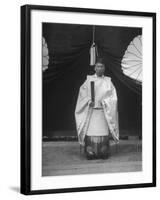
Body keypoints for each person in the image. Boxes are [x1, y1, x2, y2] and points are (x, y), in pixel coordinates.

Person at [75, 58, 119, 159]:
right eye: (98, 66)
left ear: (104, 68)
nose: (100, 68)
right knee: (91, 132)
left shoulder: (108, 81)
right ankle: (91, 152)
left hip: (103, 112)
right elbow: (82, 94)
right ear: (94, 68)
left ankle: (103, 152)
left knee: (103, 133)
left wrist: (105, 102)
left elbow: (113, 97)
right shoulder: (89, 80)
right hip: (91, 112)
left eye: (102, 66)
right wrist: (88, 101)